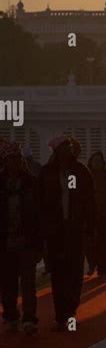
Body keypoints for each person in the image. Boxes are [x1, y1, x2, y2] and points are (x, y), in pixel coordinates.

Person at [38, 136, 95, 331]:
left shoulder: (80, 171)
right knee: (58, 273)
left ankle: (71, 311)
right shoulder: (47, 173)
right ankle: (61, 315)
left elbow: (89, 200)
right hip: (56, 229)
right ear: (57, 150)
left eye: (70, 147)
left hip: (75, 228)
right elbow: (40, 203)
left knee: (75, 272)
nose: (69, 150)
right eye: (65, 147)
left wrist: (89, 225)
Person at [0, 142, 41, 335]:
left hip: (27, 240)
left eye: (17, 159)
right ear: (5, 161)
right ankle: (11, 314)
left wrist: (37, 240)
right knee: (7, 281)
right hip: (5, 241)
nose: (14, 163)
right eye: (10, 159)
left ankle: (29, 318)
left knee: (27, 281)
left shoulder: (32, 182)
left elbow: (39, 213)